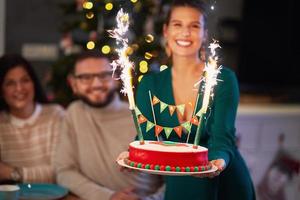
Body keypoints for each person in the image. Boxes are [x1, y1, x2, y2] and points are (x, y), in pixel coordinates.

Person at [134, 0, 256, 200]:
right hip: (180, 181)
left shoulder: (223, 79)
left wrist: (217, 164)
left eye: (194, 26)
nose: (185, 32)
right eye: (177, 24)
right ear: (166, 31)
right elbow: (146, 138)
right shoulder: (150, 84)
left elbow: (222, 138)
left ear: (204, 34)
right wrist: (131, 155)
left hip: (224, 180)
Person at [54, 51, 164, 200]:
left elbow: (175, 176)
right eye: (86, 77)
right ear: (74, 83)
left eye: (104, 75)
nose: (97, 84)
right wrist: (109, 196)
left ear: (117, 79)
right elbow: (64, 172)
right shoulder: (74, 114)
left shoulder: (143, 118)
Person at [0, 54, 64, 183]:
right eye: (10, 83)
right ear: (1, 90)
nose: (19, 88)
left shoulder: (56, 116)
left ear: (34, 83)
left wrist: (13, 173)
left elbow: (61, 172)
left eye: (25, 80)